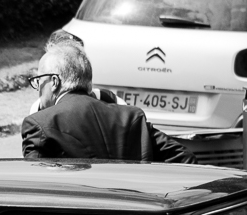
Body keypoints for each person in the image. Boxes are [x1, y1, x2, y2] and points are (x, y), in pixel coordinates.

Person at [21, 40, 192, 162]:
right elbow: (184, 157)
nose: (37, 89)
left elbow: (36, 189)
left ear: (54, 82)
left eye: (38, 81)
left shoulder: (39, 124)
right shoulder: (131, 117)